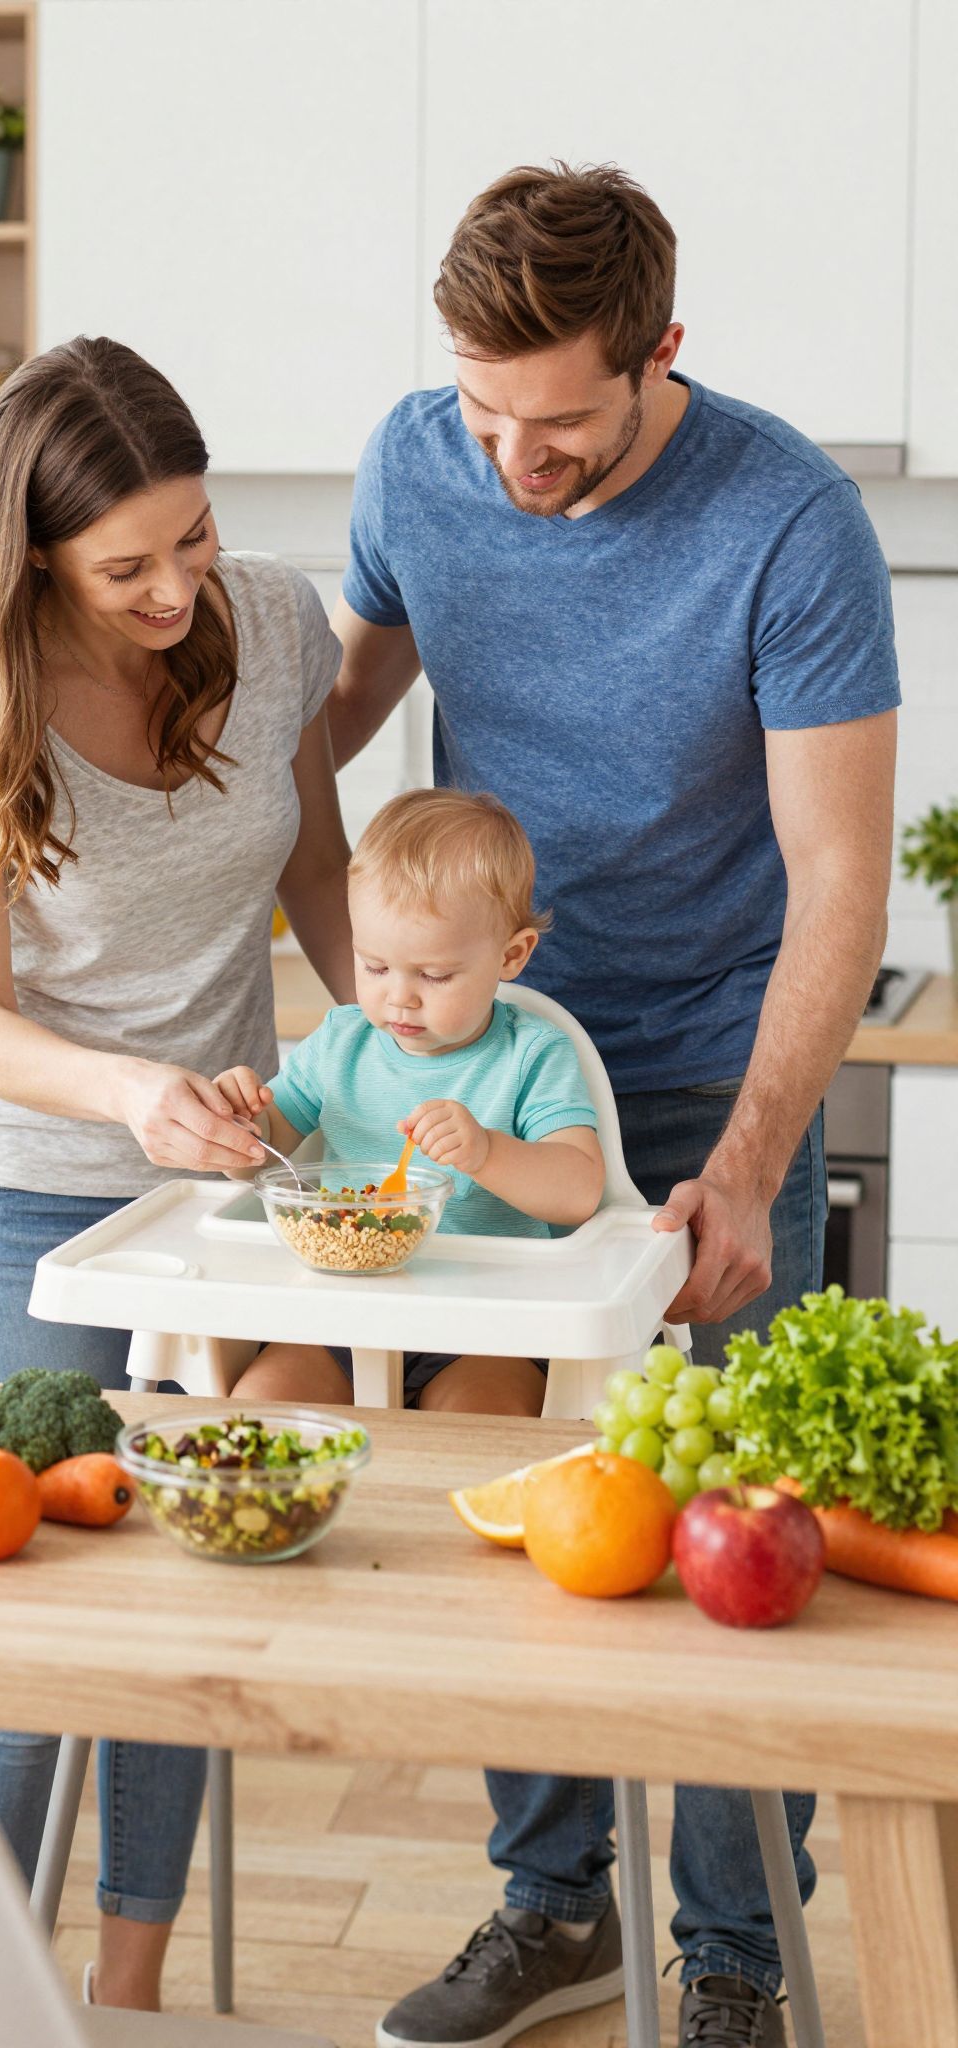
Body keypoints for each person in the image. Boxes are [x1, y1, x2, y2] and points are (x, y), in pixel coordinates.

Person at [326, 165, 899, 2048]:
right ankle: (548, 1904)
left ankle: (736, 1955)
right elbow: (320, 729)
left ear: (660, 352)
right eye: (481, 410)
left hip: (715, 1053)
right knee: (540, 1508)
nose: (509, 456)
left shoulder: (784, 519)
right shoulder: (422, 461)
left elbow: (836, 878)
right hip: (506, 1055)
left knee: (740, 1522)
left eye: (555, 420)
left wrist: (742, 1164)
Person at [0, 335, 355, 2014]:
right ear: (35, 558)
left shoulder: (276, 622)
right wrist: (133, 1088)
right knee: (19, 1645)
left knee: (182, 1608)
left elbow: (316, 865)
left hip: (217, 1198)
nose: (176, 588)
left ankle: (133, 1991)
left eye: (195, 537)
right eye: (127, 564)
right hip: (23, 1195)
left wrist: (390, 1060)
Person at [217, 788, 605, 1414]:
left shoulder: (532, 1055)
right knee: (262, 1404)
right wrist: (238, 1126)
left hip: (486, 1328)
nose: (399, 999)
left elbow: (580, 1191)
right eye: (374, 966)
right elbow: (264, 1159)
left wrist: (486, 1153)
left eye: (433, 975)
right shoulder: (342, 1041)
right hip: (338, 1313)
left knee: (480, 1428)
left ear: (512, 956)